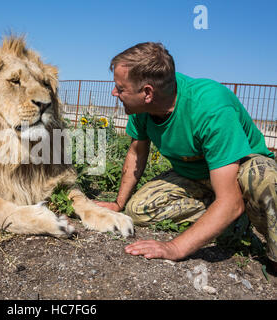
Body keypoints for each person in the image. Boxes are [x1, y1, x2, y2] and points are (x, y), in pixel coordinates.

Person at [95, 42, 277, 272]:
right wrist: (118, 203)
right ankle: (231, 218)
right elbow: (137, 152)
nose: (114, 93)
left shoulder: (210, 107)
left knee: (265, 177)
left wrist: (175, 247)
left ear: (148, 92)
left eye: (120, 88)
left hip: (240, 171)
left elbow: (230, 196)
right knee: (139, 209)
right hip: (196, 177)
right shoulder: (142, 109)